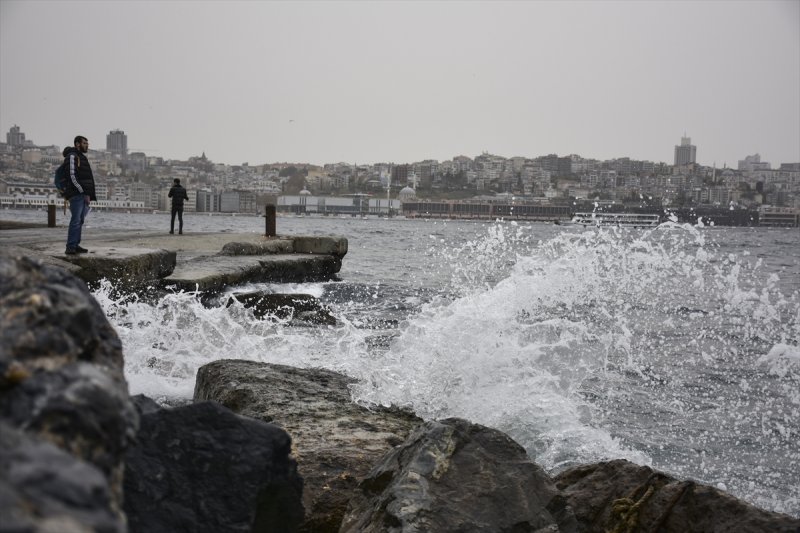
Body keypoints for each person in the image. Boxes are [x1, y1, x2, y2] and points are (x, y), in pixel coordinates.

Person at [63, 136, 96, 255]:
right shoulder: (72, 156)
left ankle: (75, 244)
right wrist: (82, 191)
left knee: (80, 221)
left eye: (87, 143)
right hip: (77, 195)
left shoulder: (81, 157)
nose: (87, 145)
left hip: (84, 195)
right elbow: (72, 175)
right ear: (77, 144)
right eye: (84, 143)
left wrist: (88, 194)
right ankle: (70, 246)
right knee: (76, 220)